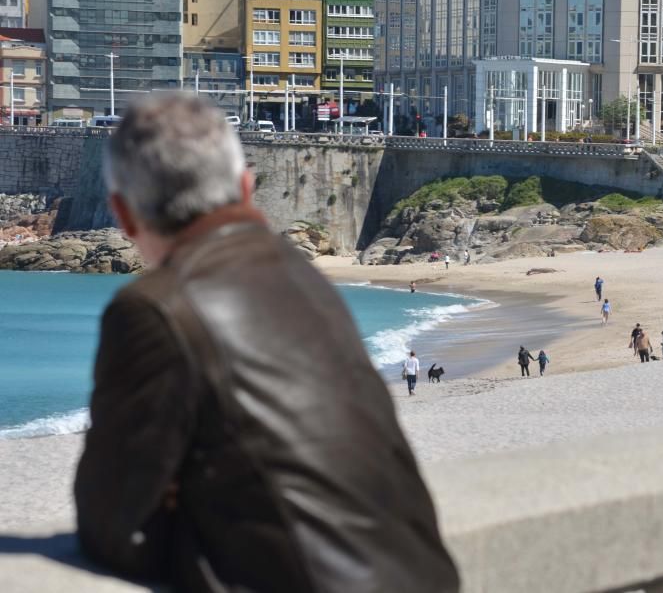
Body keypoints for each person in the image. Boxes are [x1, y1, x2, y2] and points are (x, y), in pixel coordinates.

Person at [73, 93, 458, 593]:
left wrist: (181, 510)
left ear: (123, 214)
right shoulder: (306, 279)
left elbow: (110, 519)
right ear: (246, 186)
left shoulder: (154, 308)